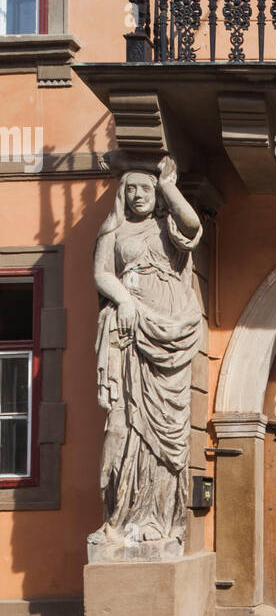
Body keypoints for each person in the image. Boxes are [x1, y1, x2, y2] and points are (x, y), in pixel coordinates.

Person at [89, 155, 202, 552]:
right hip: (132, 329)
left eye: (146, 189)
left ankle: (162, 516)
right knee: (130, 423)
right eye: (131, 188)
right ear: (122, 193)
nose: (138, 195)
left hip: (172, 326)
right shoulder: (114, 230)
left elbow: (191, 226)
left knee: (170, 426)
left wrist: (170, 185)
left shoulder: (165, 224)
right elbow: (102, 273)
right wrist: (123, 300)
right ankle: (129, 518)